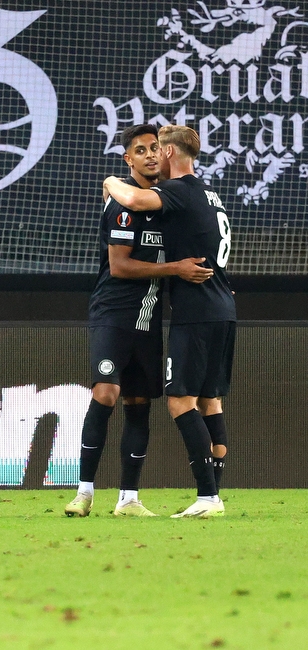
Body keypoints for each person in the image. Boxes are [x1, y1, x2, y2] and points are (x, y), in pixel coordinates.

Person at [65, 124, 214, 518]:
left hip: (149, 321)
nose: (150, 155)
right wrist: (175, 268)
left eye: (154, 148)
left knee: (139, 403)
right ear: (127, 159)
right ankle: (83, 493)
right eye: (140, 150)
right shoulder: (123, 205)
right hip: (113, 314)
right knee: (106, 393)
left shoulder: (165, 204)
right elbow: (119, 267)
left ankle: (128, 498)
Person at [102, 124, 235, 519]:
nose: (154, 156)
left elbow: (135, 200)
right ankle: (215, 490)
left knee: (179, 401)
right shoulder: (211, 195)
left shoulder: (179, 189)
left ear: (172, 155)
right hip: (223, 306)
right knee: (210, 400)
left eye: (160, 150)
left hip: (196, 313)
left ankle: (209, 497)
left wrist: (111, 180)